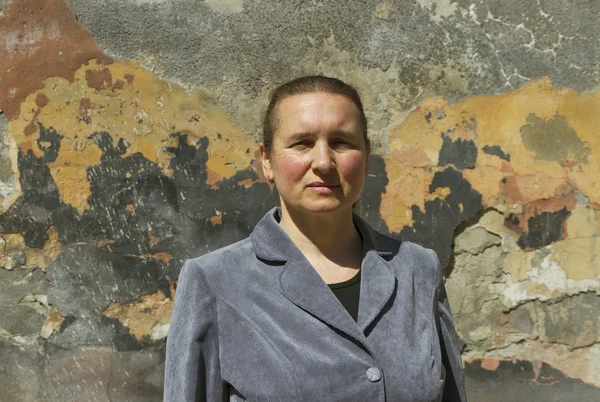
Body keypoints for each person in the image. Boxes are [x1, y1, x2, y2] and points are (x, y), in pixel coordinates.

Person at [164, 76, 466, 401]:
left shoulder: (417, 270)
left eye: (341, 142)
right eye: (302, 143)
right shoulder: (216, 282)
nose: (323, 162)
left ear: (366, 158)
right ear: (266, 160)